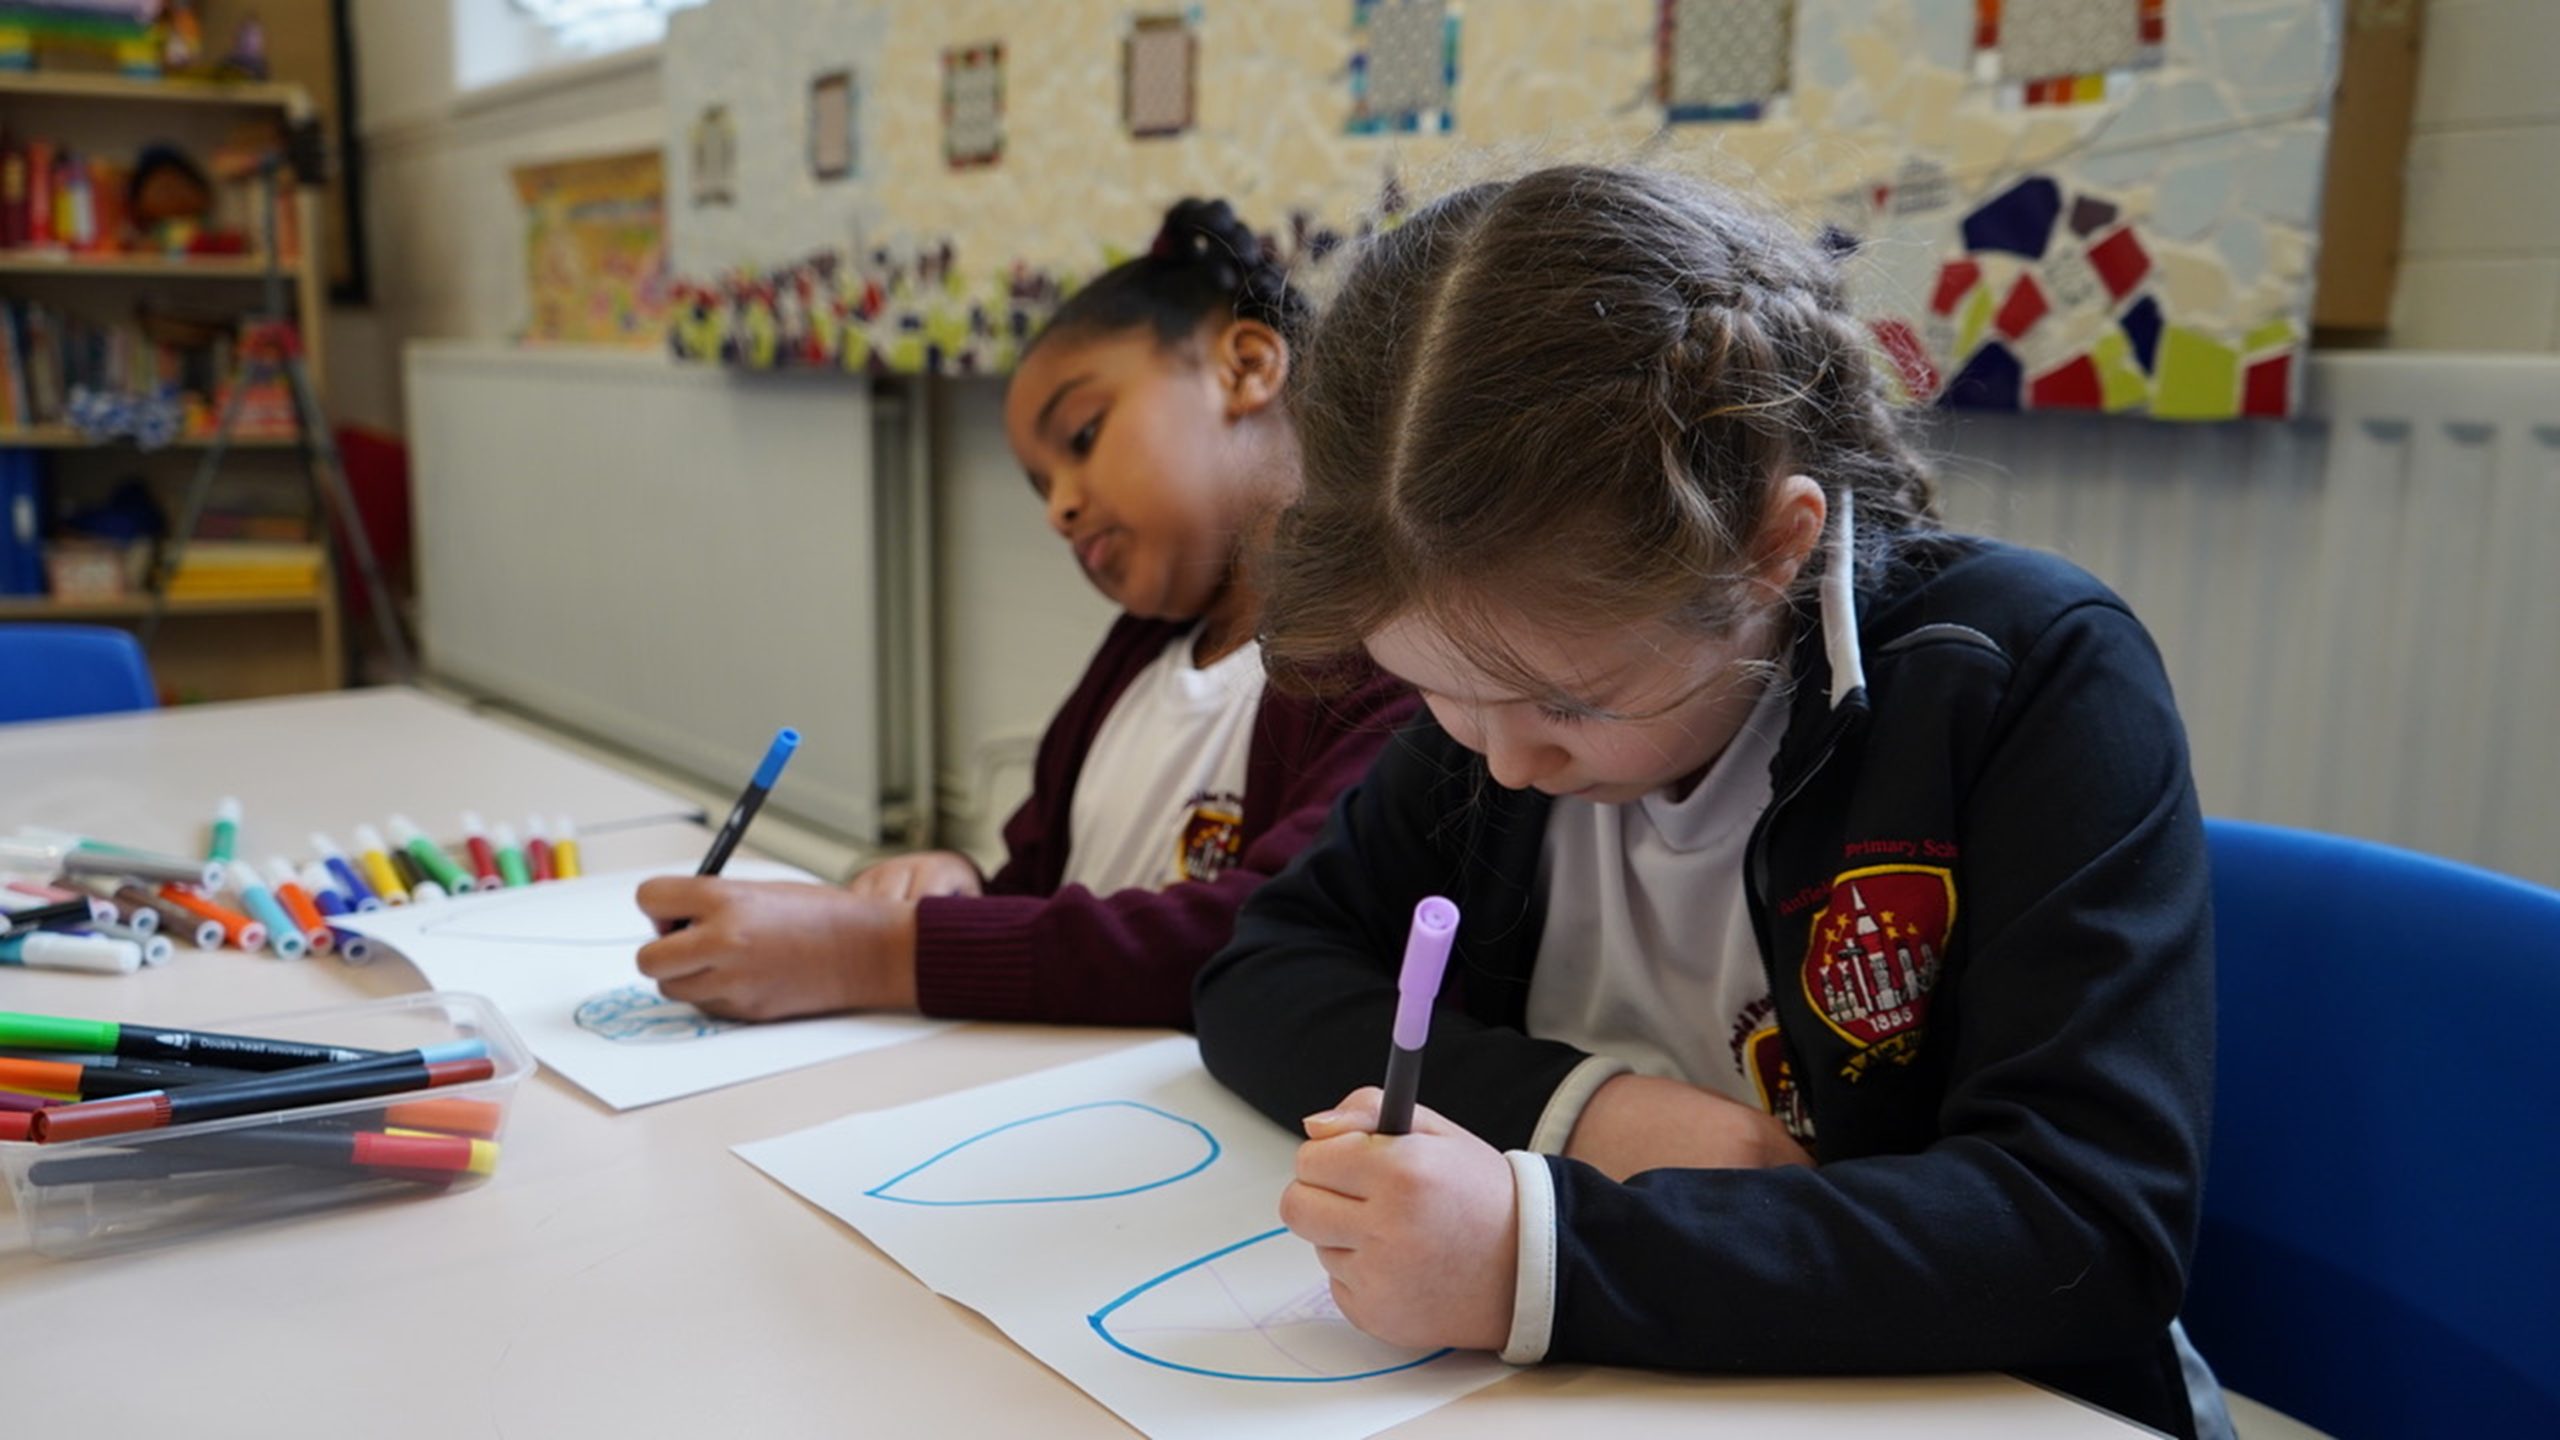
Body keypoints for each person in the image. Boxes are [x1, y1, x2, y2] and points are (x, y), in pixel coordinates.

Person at [1194, 165, 2225, 1439]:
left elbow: (2080, 1229)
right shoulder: (1504, 677)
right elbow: (1264, 970)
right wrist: (1590, 1114)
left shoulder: (2023, 679)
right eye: (1442, 699)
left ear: (1772, 550)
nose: (1504, 765)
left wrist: (1542, 1254)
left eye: (1569, 707)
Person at [636, 199, 1413, 1027]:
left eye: (1081, 437)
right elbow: (1043, 895)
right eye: (1042, 489)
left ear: (1248, 366)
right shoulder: (1138, 657)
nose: (1060, 511)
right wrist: (958, 886)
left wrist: (871, 950)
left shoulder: (1384, 654)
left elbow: (1266, 933)